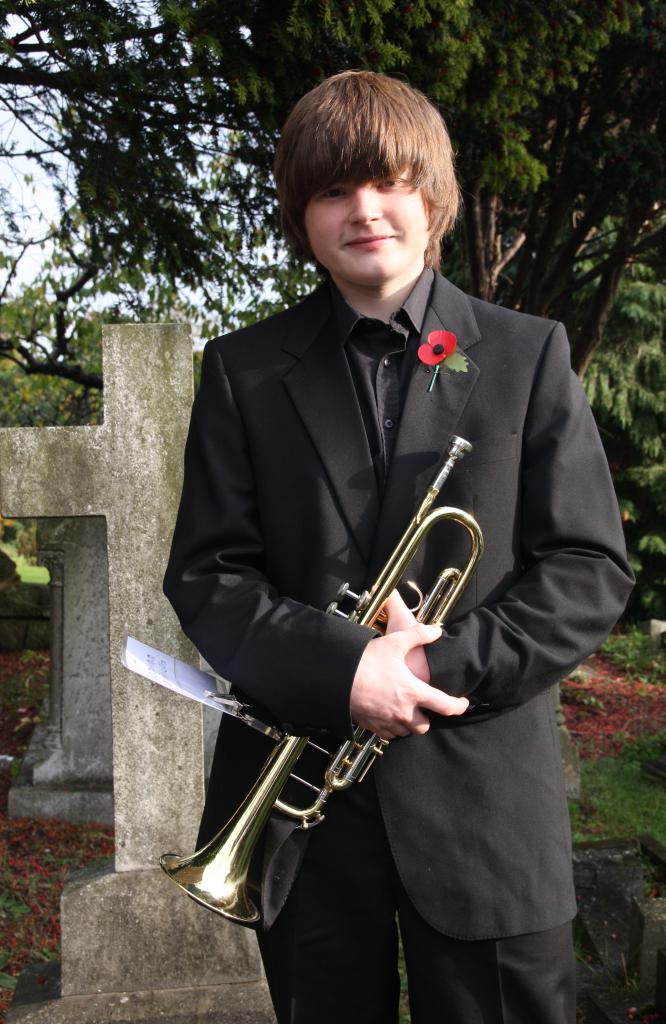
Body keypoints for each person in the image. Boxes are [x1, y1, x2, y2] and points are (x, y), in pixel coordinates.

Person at [163, 71, 633, 1024]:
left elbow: (587, 569)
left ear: (435, 199)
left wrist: (426, 667)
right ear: (302, 215)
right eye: (334, 190)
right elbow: (210, 574)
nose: (365, 210)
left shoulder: (528, 354)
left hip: (486, 797)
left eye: (390, 183)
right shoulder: (243, 370)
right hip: (305, 807)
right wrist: (345, 671)